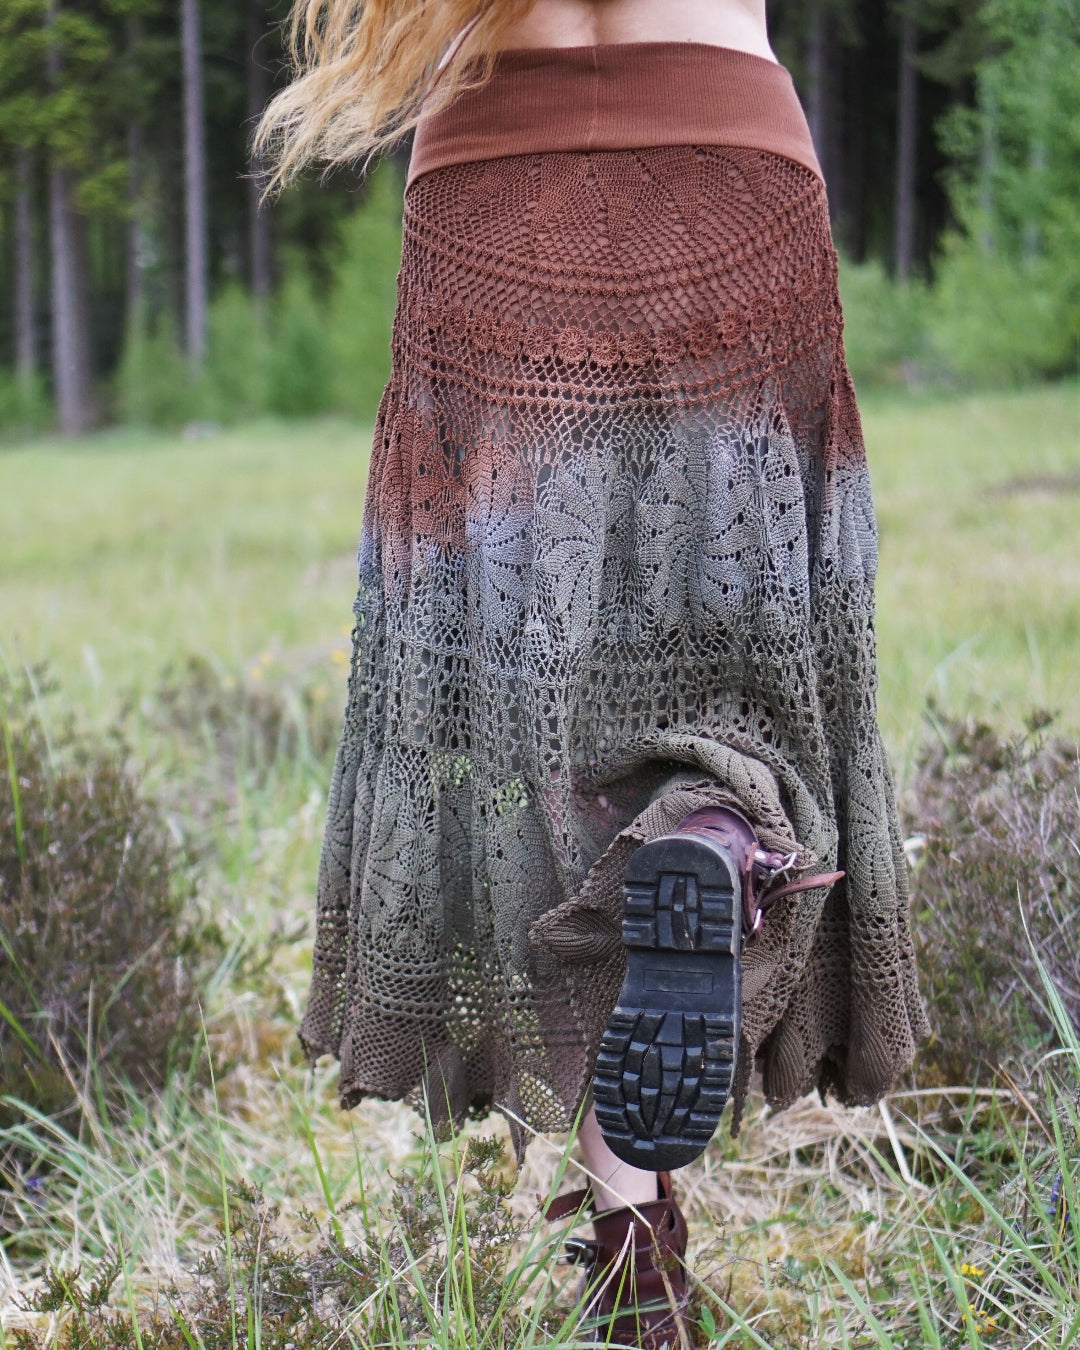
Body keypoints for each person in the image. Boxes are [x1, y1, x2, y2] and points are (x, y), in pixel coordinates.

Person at [257, 2, 929, 1344]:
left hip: (494, 177)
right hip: (728, 155)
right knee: (749, 670)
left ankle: (630, 1244)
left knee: (535, 708)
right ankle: (723, 833)